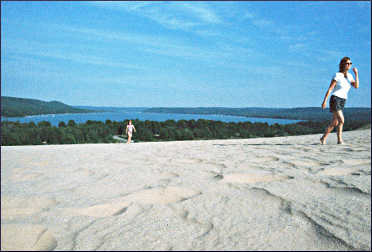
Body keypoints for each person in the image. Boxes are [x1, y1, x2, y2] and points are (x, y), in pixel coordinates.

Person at [320, 57, 359, 145]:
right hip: (335, 99)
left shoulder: (350, 76)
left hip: (343, 100)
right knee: (341, 120)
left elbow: (356, 86)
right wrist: (324, 101)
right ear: (343, 64)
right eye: (347, 63)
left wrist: (356, 74)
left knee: (335, 122)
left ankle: (323, 138)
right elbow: (330, 89)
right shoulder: (337, 75)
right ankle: (339, 140)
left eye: (350, 63)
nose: (349, 65)